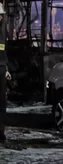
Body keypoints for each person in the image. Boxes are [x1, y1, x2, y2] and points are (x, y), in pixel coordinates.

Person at [0, 3, 11, 145]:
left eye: (1, 16)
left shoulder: (1, 34)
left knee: (1, 105)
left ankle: (0, 133)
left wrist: (6, 69)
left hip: (1, 70)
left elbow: (3, 53)